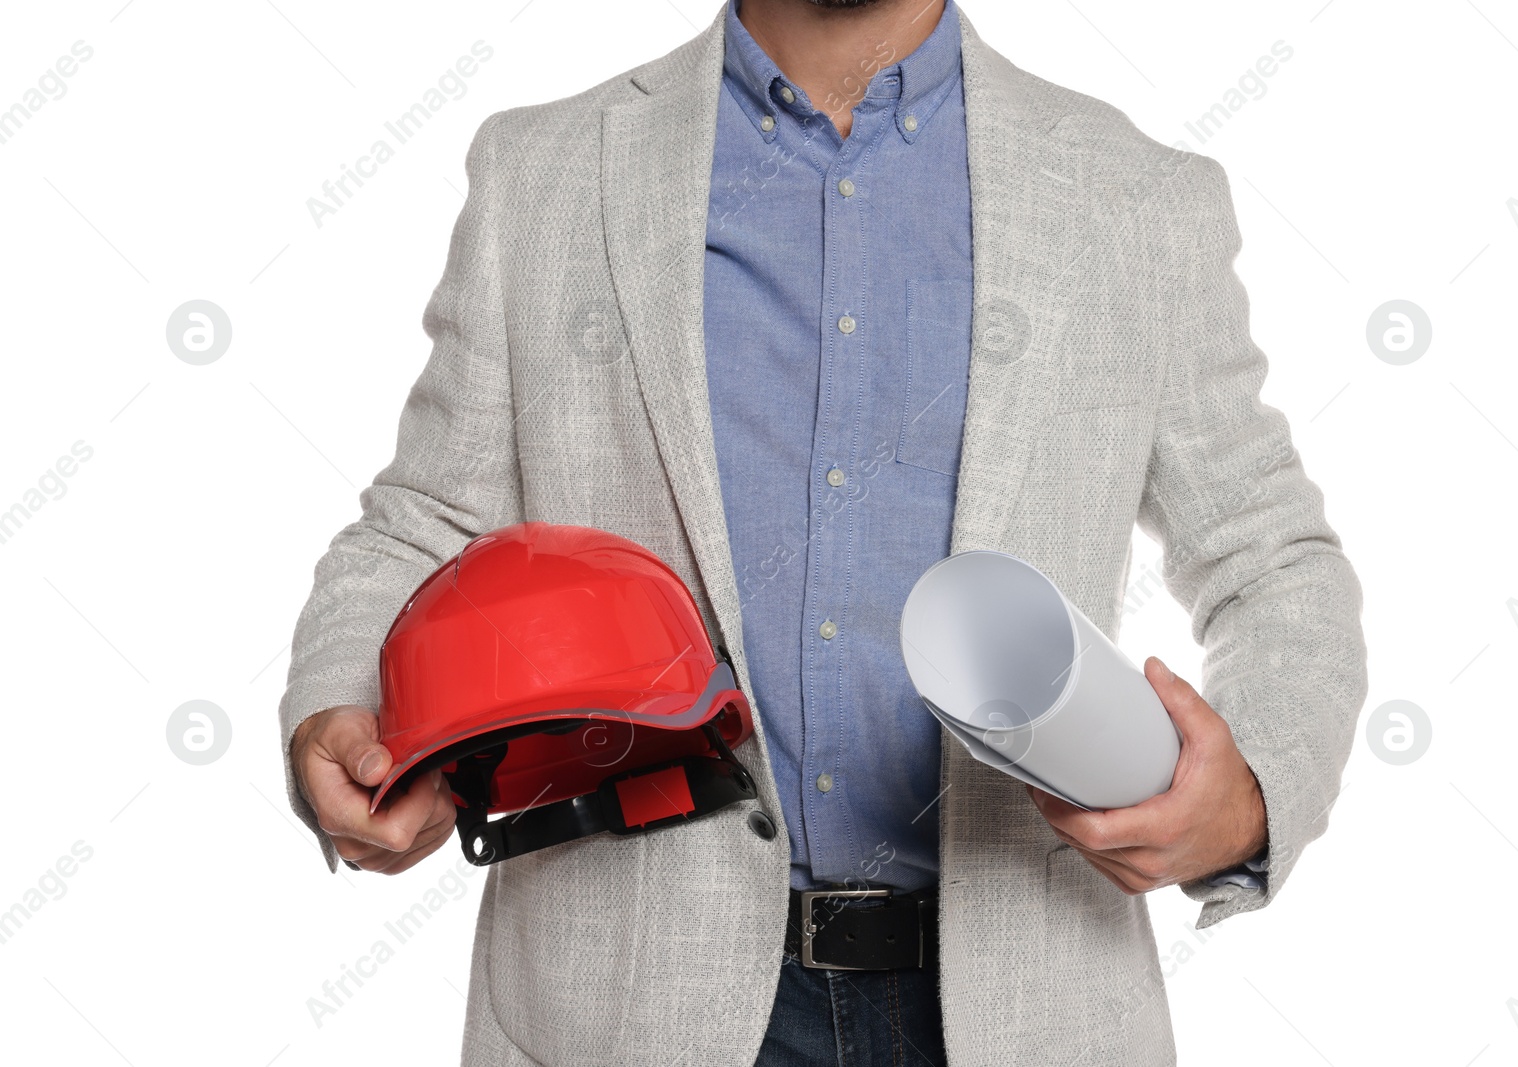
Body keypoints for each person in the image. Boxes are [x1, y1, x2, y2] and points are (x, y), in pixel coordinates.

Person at [278, 1, 1368, 1064]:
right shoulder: (544, 171)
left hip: (1023, 997)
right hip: (616, 1006)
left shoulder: (1134, 197)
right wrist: (339, 710)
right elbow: (424, 522)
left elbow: (1270, 557)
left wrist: (1251, 792)